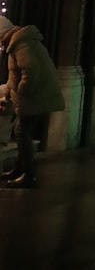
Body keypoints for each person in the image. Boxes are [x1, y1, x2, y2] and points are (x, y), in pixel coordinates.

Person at [0, 17, 65, 189]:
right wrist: (9, 89)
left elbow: (30, 71)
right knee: (20, 129)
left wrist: (19, 92)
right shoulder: (18, 43)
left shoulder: (22, 44)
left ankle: (28, 174)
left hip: (36, 97)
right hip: (36, 96)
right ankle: (20, 170)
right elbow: (15, 75)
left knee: (21, 131)